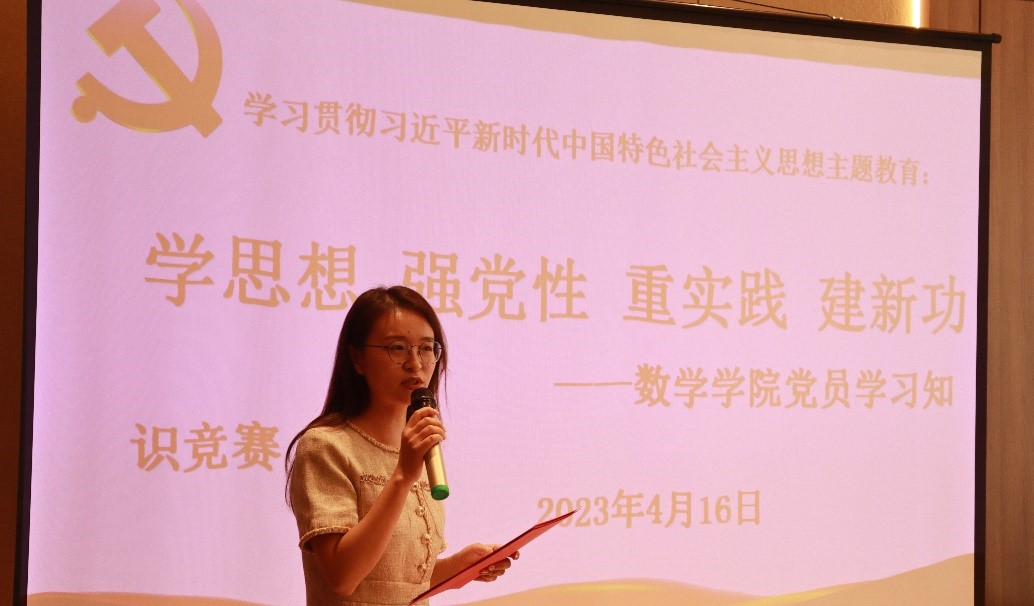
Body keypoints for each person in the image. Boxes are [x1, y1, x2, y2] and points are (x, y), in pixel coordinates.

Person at [285, 285, 516, 605]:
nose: (415, 363)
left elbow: (391, 581)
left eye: (426, 348)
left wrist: (459, 565)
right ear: (357, 358)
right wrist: (403, 476)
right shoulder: (325, 447)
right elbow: (343, 577)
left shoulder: (417, 450)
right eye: (397, 348)